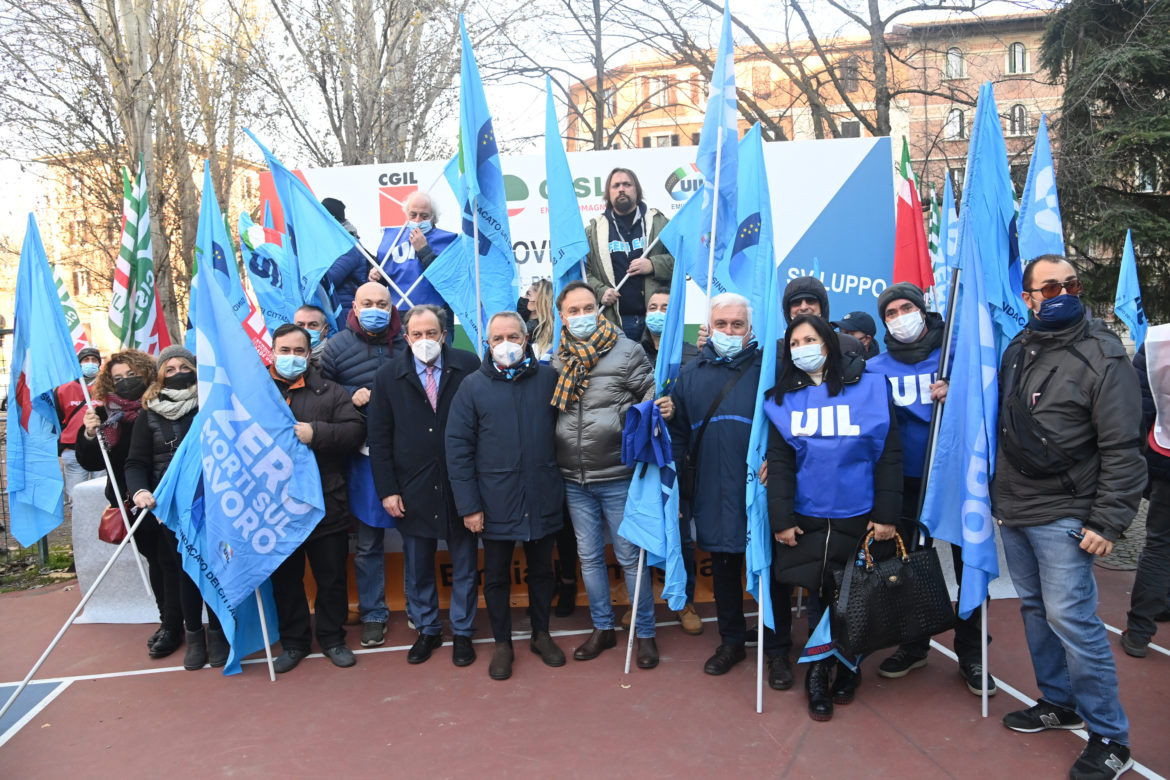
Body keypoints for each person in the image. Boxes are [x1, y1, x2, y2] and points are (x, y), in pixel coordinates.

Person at [995, 255, 1144, 779]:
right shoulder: (1018, 346)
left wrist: (1108, 521)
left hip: (1066, 513)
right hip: (1015, 509)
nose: (1063, 293)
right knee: (1035, 610)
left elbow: (1125, 446)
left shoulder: (1103, 353)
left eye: (1071, 284)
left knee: (1073, 623)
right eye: (1050, 286)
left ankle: (1110, 737)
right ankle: (1059, 702)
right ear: (1029, 296)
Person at [765, 314, 902, 722]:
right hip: (809, 519)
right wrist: (781, 519)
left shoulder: (873, 388)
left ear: (828, 343)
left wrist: (886, 514)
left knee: (855, 599)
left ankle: (849, 668)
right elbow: (781, 463)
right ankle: (818, 675)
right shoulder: (780, 399)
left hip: (858, 518)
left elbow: (888, 454)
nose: (802, 347)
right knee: (821, 597)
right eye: (794, 342)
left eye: (810, 339)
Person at [866, 282, 993, 695]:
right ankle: (914, 643)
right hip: (903, 482)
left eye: (907, 308)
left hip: (955, 477)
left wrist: (959, 395)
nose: (901, 316)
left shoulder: (958, 357)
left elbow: (991, 399)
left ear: (924, 310)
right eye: (891, 312)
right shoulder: (875, 368)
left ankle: (973, 652)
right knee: (907, 565)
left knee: (967, 562)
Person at [669, 293, 794, 687]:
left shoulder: (770, 371)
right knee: (723, 568)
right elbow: (676, 436)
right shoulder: (690, 374)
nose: (728, 331)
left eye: (736, 325)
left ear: (750, 330)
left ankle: (777, 651)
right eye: (721, 324)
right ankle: (731, 641)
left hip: (760, 490)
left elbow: (793, 424)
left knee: (771, 570)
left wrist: (781, 459)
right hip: (710, 487)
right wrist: (672, 490)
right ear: (709, 327)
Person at [446, 311, 567, 680]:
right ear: (487, 344)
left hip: (542, 495)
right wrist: (469, 506)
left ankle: (541, 635)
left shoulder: (549, 379)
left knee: (542, 572)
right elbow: (458, 448)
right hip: (494, 500)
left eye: (513, 336)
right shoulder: (472, 386)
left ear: (526, 338)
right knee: (496, 576)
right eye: (497, 339)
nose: (505, 345)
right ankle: (502, 643)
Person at [552, 281, 664, 669]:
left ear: (599, 310)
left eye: (588, 308)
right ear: (562, 316)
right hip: (573, 478)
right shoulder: (556, 359)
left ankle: (644, 632)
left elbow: (653, 397)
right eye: (573, 310)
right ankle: (603, 627)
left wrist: (652, 410)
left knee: (631, 557)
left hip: (618, 473)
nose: (582, 316)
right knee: (589, 557)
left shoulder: (627, 351)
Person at [367, 305, 481, 668]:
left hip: (460, 485)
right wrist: (388, 489)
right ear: (406, 337)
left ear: (444, 335)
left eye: (431, 333)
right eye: (417, 334)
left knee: (464, 563)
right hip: (411, 488)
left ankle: (463, 631)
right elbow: (379, 439)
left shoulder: (468, 365)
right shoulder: (387, 377)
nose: (424, 340)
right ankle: (428, 630)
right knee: (418, 567)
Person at [265, 324, 366, 673]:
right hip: (276, 506)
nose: (291, 357)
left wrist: (316, 433)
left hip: (325, 501)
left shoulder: (331, 391)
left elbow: (354, 432)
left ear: (309, 354)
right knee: (286, 579)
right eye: (284, 350)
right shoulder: (257, 392)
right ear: (272, 350)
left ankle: (332, 638)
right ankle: (293, 643)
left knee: (331, 575)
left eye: (298, 351)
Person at [124, 345, 228, 671]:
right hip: (170, 507)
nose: (177, 373)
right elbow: (135, 462)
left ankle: (220, 635)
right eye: (169, 369)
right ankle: (194, 636)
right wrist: (139, 490)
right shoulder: (148, 413)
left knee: (215, 569)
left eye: (184, 366)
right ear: (159, 375)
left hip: (211, 502)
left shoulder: (211, 405)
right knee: (185, 572)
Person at [75, 349, 177, 659]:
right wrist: (91, 432)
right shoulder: (105, 415)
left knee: (170, 561)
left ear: (147, 375)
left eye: (132, 376)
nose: (126, 383)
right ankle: (168, 620)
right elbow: (89, 459)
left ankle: (176, 625)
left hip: (164, 497)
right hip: (128, 501)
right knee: (156, 562)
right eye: (118, 378)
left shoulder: (162, 406)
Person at [321, 281, 406, 649]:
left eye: (382, 303)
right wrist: (346, 397)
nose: (375, 308)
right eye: (368, 302)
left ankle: (420, 609)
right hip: (362, 457)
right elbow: (318, 393)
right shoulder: (336, 346)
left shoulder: (408, 343)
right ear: (353, 306)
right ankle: (373, 613)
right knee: (369, 542)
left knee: (415, 538)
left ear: (392, 307)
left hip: (407, 455)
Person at [641, 285, 702, 635]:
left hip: (680, 459)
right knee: (645, 532)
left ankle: (684, 599)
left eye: (666, 306)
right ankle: (643, 601)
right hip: (641, 460)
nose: (658, 311)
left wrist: (675, 412)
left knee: (681, 533)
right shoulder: (632, 352)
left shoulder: (693, 356)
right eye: (653, 305)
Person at [584, 168, 675, 342]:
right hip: (614, 321)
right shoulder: (593, 232)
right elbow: (583, 273)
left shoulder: (660, 223)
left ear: (637, 190)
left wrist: (654, 265)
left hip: (657, 319)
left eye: (627, 184)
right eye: (616, 185)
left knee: (656, 369)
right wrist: (600, 291)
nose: (621, 189)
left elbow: (681, 261)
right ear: (608, 193)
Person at [1123, 333, 1170, 656]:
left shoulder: (1158, 341)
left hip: (1164, 454)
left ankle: (1140, 630)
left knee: (1159, 544)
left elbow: (1140, 407)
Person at [373, 191, 458, 344]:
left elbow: (448, 279)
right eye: (413, 215)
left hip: (436, 315)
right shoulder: (393, 239)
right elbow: (383, 282)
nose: (418, 220)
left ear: (433, 217)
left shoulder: (448, 241)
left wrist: (424, 250)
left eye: (424, 216)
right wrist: (375, 276)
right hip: (400, 316)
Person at [55, 345, 102, 504]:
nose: (90, 363)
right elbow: (57, 419)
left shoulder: (107, 388)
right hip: (72, 449)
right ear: (78, 363)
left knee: (103, 498)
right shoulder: (63, 390)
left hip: (101, 447)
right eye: (86, 360)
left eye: (94, 360)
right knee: (77, 499)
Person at [781, 276, 865, 359]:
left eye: (810, 301)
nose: (803, 307)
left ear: (822, 307)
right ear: (788, 310)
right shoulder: (778, 349)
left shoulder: (850, 344)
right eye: (796, 302)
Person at [320, 197, 373, 314]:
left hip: (346, 311)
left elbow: (330, 278)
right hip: (331, 307)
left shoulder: (350, 244)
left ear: (332, 219)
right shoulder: (329, 243)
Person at [294, 304, 332, 368]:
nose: (306, 330)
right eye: (300, 325)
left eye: (313, 325)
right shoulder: (287, 357)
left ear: (326, 329)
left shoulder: (335, 358)